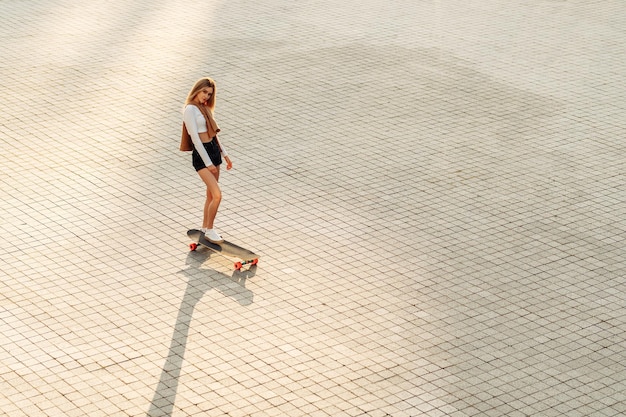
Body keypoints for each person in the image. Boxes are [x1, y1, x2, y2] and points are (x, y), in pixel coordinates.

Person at [182, 77, 233, 243]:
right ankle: (210, 230)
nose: (206, 96)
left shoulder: (205, 109)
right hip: (201, 156)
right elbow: (195, 139)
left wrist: (225, 155)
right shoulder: (190, 109)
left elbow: (214, 136)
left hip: (213, 151)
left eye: (209, 94)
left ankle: (205, 227)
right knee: (218, 195)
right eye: (204, 92)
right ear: (197, 90)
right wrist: (209, 164)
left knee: (211, 195)